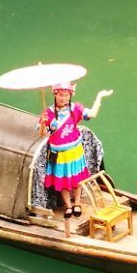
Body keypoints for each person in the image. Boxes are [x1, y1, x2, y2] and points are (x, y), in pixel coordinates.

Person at [39, 83, 113, 219]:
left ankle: (77, 203)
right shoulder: (47, 113)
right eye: (61, 95)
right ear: (55, 94)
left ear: (70, 96)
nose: (63, 98)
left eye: (66, 95)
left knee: (77, 179)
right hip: (59, 154)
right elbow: (43, 134)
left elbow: (92, 114)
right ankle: (68, 206)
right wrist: (43, 123)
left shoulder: (75, 109)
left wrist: (99, 97)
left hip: (75, 151)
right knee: (63, 180)